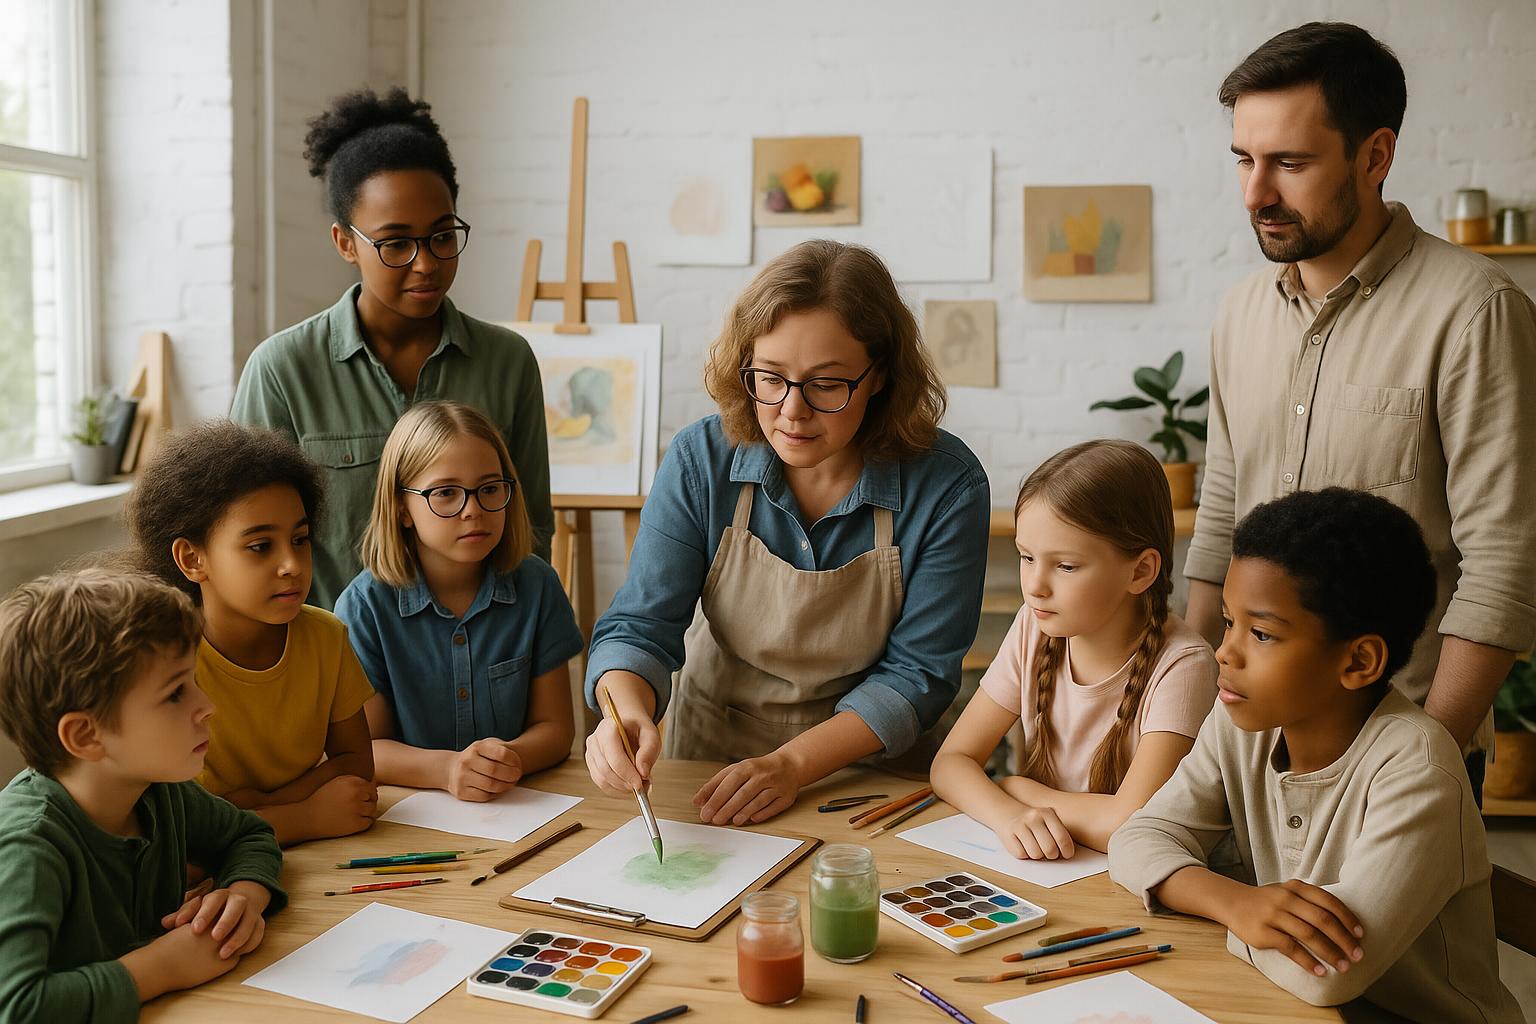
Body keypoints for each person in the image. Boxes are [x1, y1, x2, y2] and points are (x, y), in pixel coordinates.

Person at [1182, 22, 1536, 800]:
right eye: (1244, 159)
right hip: (1242, 747)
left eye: (1290, 163)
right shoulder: (1240, 314)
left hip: (1401, 746)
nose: (1255, 193)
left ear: (1375, 155)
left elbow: (1506, 563)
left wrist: (1423, 767)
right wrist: (1187, 720)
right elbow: (1219, 527)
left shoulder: (1475, 311)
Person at [584, 240, 990, 825]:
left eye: (826, 384)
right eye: (770, 378)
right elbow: (641, 626)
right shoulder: (702, 459)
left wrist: (794, 765)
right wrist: (622, 713)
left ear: (880, 376)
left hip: (863, 781)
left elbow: (918, 675)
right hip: (710, 764)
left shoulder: (947, 486)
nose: (791, 411)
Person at [1110, 489, 1520, 1023]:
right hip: (1278, 1005)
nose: (1225, 651)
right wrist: (1238, 905)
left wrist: (1203, 897)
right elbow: (1137, 838)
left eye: (1261, 633)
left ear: (1359, 661)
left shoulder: (1418, 770)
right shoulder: (1241, 722)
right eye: (1229, 622)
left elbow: (1322, 975)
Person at [232, 87, 554, 609]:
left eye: (442, 236)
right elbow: (250, 546)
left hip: (478, 667)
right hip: (332, 673)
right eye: (396, 243)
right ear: (345, 242)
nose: (425, 263)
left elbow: (531, 531)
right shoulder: (281, 371)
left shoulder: (507, 362)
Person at [0, 570, 286, 1020]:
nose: (207, 705)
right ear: (86, 735)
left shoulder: (158, 792)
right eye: (175, 693)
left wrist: (243, 898)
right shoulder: (28, 847)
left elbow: (248, 834)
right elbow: (16, 1008)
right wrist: (164, 966)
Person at [931, 440, 1217, 858]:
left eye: (1065, 566)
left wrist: (1017, 789)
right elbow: (950, 763)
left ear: (1140, 571)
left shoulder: (1184, 666)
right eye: (1027, 558)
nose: (1035, 586)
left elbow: (1132, 823)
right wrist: (1007, 815)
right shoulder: (1034, 626)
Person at [127, 421, 377, 845]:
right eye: (261, 546)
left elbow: (356, 763)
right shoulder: (165, 665)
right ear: (192, 558)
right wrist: (304, 816)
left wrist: (268, 804)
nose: (292, 565)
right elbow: (183, 831)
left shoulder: (326, 637)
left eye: (300, 540)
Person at [335, 401, 583, 800]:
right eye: (446, 493)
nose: (473, 510)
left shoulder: (538, 585)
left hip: (518, 804)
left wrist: (503, 761)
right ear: (402, 508)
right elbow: (366, 749)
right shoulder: (364, 608)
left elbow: (556, 730)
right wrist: (448, 770)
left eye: (489, 489)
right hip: (408, 816)